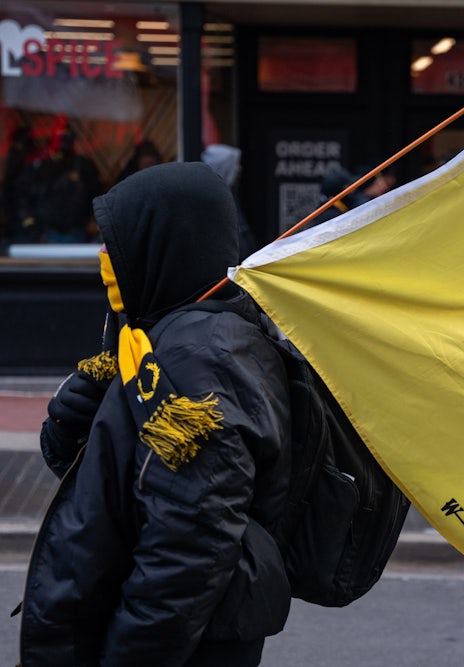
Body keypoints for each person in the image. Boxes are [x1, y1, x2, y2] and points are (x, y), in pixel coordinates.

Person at [18, 161, 293, 666]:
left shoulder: (198, 361)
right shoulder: (149, 340)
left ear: (166, 242)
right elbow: (120, 485)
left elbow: (185, 557)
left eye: (116, 240)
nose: (105, 256)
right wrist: (69, 424)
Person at [201, 143, 257, 259]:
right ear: (223, 166)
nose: (239, 169)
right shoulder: (215, 199)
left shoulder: (231, 194)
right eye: (235, 164)